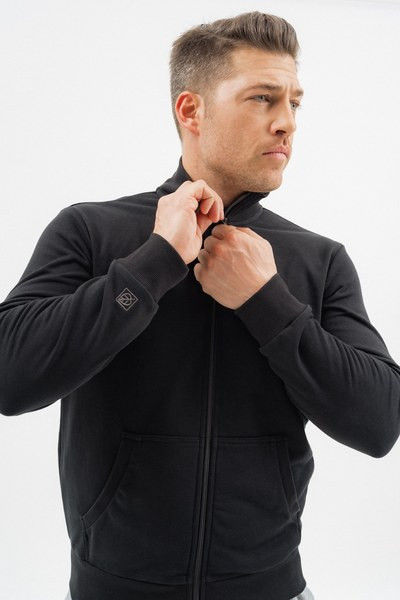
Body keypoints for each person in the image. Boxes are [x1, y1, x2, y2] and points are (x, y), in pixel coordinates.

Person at [1, 10, 399, 600]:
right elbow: (10, 377)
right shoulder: (89, 232)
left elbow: (380, 422)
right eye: (263, 98)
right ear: (191, 111)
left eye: (294, 102)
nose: (287, 122)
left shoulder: (318, 259)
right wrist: (156, 263)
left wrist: (268, 302)